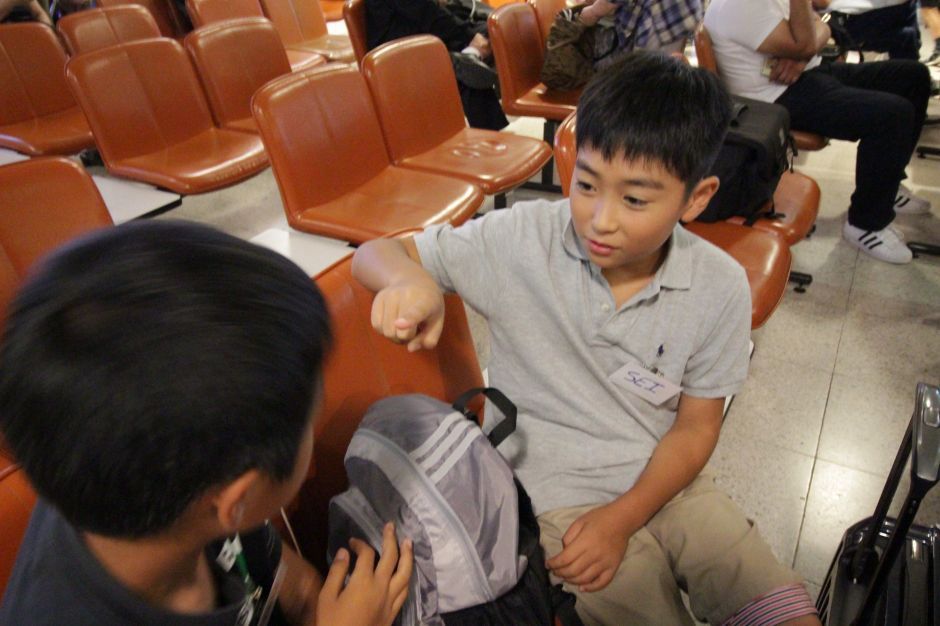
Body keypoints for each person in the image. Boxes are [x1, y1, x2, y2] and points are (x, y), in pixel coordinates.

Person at [352, 51, 820, 626]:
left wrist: (624, 517)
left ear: (695, 199)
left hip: (672, 485)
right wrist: (407, 281)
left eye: (635, 200)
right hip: (555, 499)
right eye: (587, 184)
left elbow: (697, 427)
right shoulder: (524, 240)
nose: (600, 219)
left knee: (783, 611)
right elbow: (378, 251)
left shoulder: (718, 285)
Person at [0, 221, 413, 625]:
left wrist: (310, 600)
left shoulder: (119, 470)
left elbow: (295, 587)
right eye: (310, 419)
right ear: (237, 500)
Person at [704, 0, 931, 264]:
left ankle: (888, 185)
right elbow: (808, 42)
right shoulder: (740, 5)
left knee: (913, 76)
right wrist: (804, 48)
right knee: (892, 114)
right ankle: (866, 224)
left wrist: (802, 55)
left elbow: (822, 26)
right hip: (773, 99)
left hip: (804, 75)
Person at [365, 0, 508, 130]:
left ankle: (471, 55)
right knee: (467, 73)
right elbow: (430, 16)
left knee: (493, 31)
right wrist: (469, 35)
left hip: (426, 40)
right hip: (398, 56)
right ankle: (493, 142)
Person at [578, 0, 702, 57]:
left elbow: (605, 5)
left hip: (663, 17)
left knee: (650, 73)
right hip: (680, 13)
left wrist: (592, 13)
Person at [823, 0, 920, 60]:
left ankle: (911, 73)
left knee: (906, 34)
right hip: (845, 19)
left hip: (862, 15)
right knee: (906, 30)